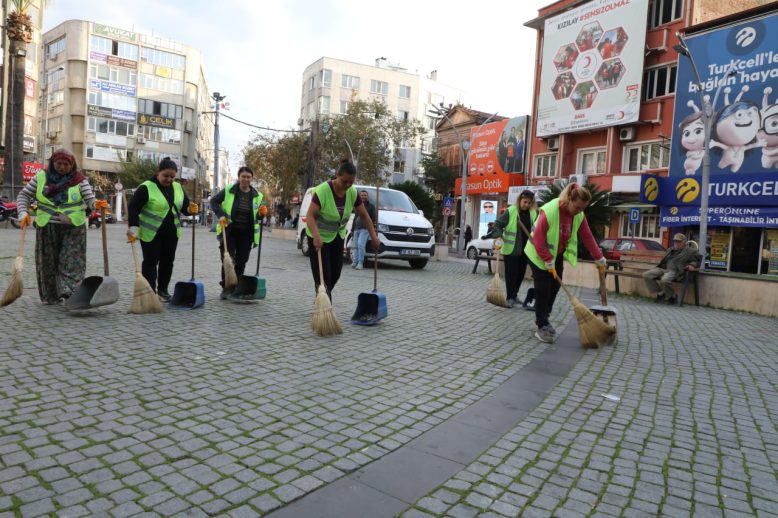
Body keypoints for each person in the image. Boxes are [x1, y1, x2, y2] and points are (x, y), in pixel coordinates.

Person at [525, 183, 608, 343]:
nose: (579, 211)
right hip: (537, 252)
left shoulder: (579, 215)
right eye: (577, 207)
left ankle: (543, 318)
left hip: (555, 254)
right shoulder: (550, 211)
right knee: (543, 288)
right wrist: (547, 259)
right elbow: (538, 239)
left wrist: (598, 257)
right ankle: (542, 325)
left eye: (583, 208)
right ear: (569, 199)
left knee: (555, 286)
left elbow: (587, 236)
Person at [15, 148, 99, 304]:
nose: (62, 167)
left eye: (66, 165)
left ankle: (70, 293)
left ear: (72, 165)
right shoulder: (41, 177)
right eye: (59, 163)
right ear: (53, 163)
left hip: (73, 227)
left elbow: (90, 199)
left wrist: (97, 204)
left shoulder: (80, 180)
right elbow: (24, 195)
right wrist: (23, 212)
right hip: (47, 226)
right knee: (47, 262)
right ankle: (51, 296)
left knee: (72, 260)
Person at [306, 159, 379, 301]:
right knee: (323, 276)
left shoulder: (352, 193)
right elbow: (310, 216)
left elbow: (364, 216)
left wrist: (374, 237)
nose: (347, 185)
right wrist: (316, 237)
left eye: (351, 182)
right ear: (337, 175)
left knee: (335, 273)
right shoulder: (323, 191)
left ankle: (321, 298)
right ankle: (325, 306)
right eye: (344, 181)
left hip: (337, 237)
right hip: (318, 237)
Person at [127, 157, 196, 303]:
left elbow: (184, 207)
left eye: (172, 177)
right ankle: (150, 292)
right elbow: (133, 208)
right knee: (151, 263)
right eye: (166, 175)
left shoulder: (178, 187)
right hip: (151, 233)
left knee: (168, 262)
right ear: (158, 172)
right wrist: (133, 228)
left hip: (172, 233)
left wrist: (191, 209)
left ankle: (163, 290)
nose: (169, 179)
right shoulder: (146, 187)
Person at [210, 166, 263, 299]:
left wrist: (262, 214)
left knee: (241, 261)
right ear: (239, 177)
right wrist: (220, 214)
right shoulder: (229, 190)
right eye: (243, 176)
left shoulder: (257, 195)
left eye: (248, 177)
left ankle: (236, 287)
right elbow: (214, 201)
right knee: (228, 260)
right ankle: (226, 288)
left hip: (246, 234)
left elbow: (256, 215)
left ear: (252, 179)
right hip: (229, 232)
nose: (246, 179)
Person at [486, 190, 538, 308]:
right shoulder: (511, 211)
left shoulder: (533, 213)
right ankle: (510, 298)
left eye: (529, 203)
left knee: (520, 274)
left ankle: (514, 295)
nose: (527, 205)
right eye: (525, 202)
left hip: (526, 250)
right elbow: (498, 224)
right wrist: (498, 235)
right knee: (511, 274)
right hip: (512, 249)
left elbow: (537, 229)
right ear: (520, 200)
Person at [642, 233, 701, 304]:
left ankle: (672, 296)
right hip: (664, 268)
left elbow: (698, 259)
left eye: (679, 241)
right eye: (675, 241)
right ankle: (661, 292)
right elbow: (665, 259)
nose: (676, 243)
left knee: (664, 280)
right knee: (646, 275)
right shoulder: (671, 249)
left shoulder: (690, 251)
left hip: (675, 270)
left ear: (684, 242)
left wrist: (692, 265)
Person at [351, 190, 375, 270]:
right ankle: (354, 262)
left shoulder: (371, 206)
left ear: (367, 196)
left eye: (365, 195)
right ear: (360, 196)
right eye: (362, 195)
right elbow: (355, 217)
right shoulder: (358, 205)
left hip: (365, 229)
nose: (363, 197)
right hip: (356, 228)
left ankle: (360, 263)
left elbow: (373, 218)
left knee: (360, 245)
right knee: (355, 246)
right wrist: (352, 229)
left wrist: (371, 228)